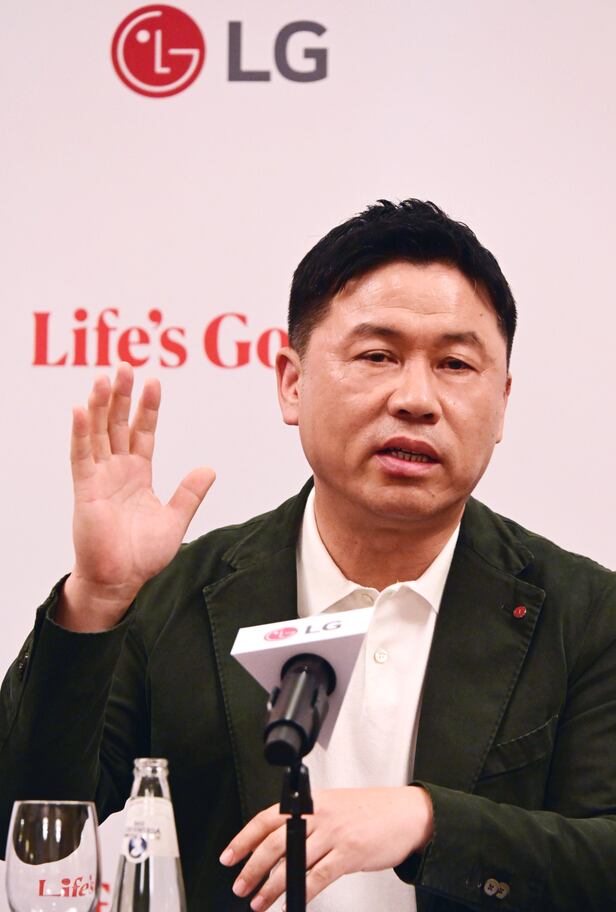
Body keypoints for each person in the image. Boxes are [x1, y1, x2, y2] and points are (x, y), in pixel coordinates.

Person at [1, 199, 615, 912]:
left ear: (502, 402)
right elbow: (32, 819)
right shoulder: (178, 597)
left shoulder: (583, 614)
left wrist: (427, 820)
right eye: (378, 356)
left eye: (454, 363)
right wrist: (98, 599)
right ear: (292, 383)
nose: (416, 399)